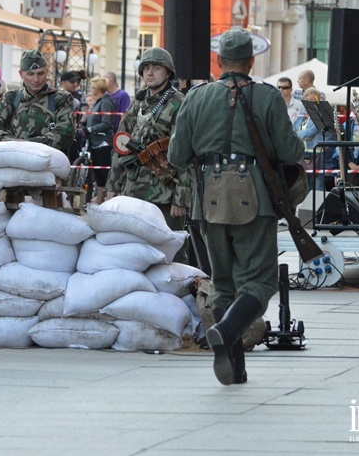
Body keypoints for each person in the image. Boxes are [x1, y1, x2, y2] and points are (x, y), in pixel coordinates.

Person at [168, 29, 303, 385]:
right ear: (251, 61)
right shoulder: (267, 97)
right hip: (254, 200)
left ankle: (235, 364)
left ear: (219, 61)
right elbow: (290, 153)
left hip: (208, 202)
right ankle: (229, 329)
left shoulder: (195, 97)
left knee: (223, 284)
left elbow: (176, 156)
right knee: (259, 282)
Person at [107, 48, 191, 260]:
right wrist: (112, 187)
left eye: (156, 68)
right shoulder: (138, 102)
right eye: (146, 68)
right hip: (133, 189)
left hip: (164, 192)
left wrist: (181, 197)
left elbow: (186, 153)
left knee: (171, 250)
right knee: (132, 249)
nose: (150, 73)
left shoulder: (179, 103)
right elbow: (120, 145)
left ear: (168, 72)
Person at [0, 49, 75, 154]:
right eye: (30, 74)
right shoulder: (10, 98)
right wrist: (13, 144)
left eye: (40, 73)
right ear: (21, 74)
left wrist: (26, 146)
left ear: (47, 71)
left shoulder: (61, 99)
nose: (36, 79)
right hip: (14, 158)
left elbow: (65, 134)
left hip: (48, 161)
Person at [83, 76, 116, 204]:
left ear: (99, 88)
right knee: (98, 172)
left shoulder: (105, 102)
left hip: (103, 141)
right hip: (95, 141)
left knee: (104, 171)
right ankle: (100, 197)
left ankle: (108, 198)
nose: (90, 89)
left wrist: (90, 129)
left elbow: (106, 123)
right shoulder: (97, 102)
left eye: (92, 87)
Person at [295, 87, 329, 191]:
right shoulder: (302, 116)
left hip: (318, 155)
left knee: (318, 187)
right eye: (307, 100)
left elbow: (310, 132)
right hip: (303, 154)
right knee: (306, 187)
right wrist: (301, 134)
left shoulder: (320, 115)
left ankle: (319, 208)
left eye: (313, 100)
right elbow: (293, 131)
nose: (310, 103)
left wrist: (299, 134)